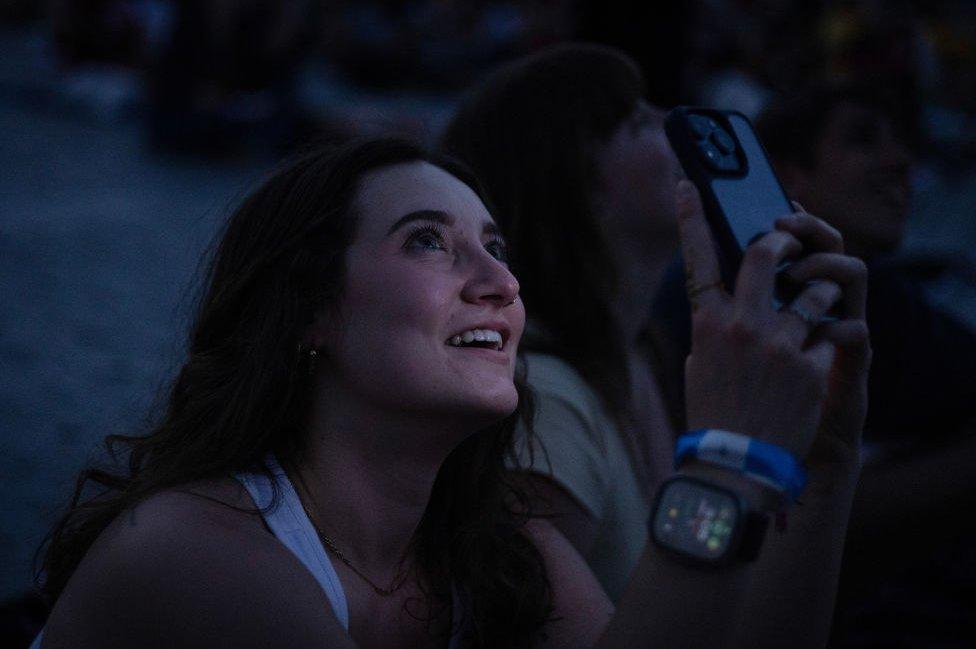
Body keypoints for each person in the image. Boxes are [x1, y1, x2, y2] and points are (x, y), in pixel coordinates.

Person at [32, 136, 869, 648]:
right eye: (429, 241)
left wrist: (823, 462)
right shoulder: (193, 551)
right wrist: (723, 457)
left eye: (496, 245)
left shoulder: (502, 554)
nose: (499, 279)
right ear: (308, 311)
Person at [440, 45, 684, 601]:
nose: (673, 120)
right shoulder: (544, 405)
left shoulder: (636, 351)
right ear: (580, 181)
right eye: (640, 121)